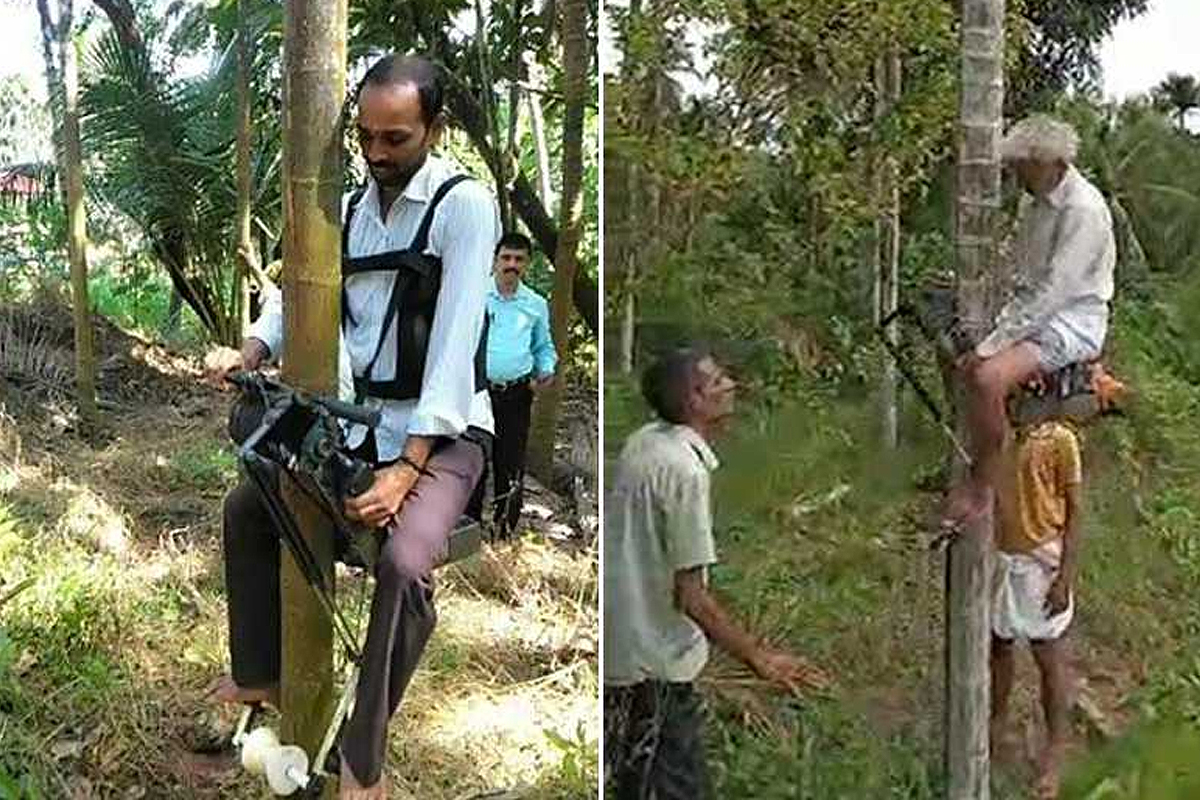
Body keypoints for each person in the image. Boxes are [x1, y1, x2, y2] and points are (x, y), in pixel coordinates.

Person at [207, 54, 499, 799]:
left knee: (404, 564)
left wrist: (408, 468)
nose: (376, 155)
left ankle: (360, 762)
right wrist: (249, 349)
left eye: (395, 139)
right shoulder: (351, 204)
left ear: (435, 127)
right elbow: (296, 296)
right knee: (249, 503)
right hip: (359, 422)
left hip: (450, 431)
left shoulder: (463, 205)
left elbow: (458, 337)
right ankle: (260, 681)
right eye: (365, 138)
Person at [603, 345, 828, 799]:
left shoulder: (644, 442)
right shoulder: (685, 471)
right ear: (694, 401)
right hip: (656, 670)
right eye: (717, 380)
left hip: (624, 653)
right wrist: (760, 658)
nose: (730, 385)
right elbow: (692, 596)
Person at [945, 115, 1115, 527]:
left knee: (988, 376)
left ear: (1051, 164)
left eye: (1023, 167)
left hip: (1072, 320)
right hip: (1033, 311)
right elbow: (1021, 266)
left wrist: (993, 346)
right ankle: (978, 446)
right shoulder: (1033, 200)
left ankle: (984, 484)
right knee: (955, 354)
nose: (1017, 175)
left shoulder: (1083, 211)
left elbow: (1054, 293)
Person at [990, 419, 1083, 800]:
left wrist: (1065, 577)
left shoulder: (1060, 439)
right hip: (999, 558)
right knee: (998, 647)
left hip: (1042, 561)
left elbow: (1076, 512)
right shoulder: (997, 432)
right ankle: (993, 732)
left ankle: (1053, 756)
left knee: (1048, 656)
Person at [466, 232, 557, 539]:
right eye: (506, 258)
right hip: (477, 393)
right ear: (495, 260)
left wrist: (545, 369)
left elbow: (544, 347)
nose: (511, 265)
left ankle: (505, 530)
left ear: (527, 264)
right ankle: (468, 530)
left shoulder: (535, 305)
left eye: (518, 259)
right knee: (474, 459)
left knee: (510, 462)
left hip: (516, 394)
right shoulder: (475, 295)